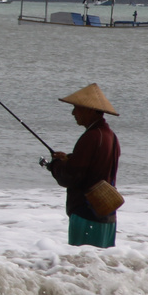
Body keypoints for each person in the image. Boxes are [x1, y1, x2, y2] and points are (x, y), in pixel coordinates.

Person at [44, 83, 121, 248]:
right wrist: (68, 158)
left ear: (90, 110)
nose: (73, 113)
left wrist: (56, 166)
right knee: (100, 266)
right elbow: (95, 166)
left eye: (76, 108)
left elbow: (71, 177)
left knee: (81, 262)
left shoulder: (91, 137)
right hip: (106, 214)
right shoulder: (110, 136)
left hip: (87, 214)